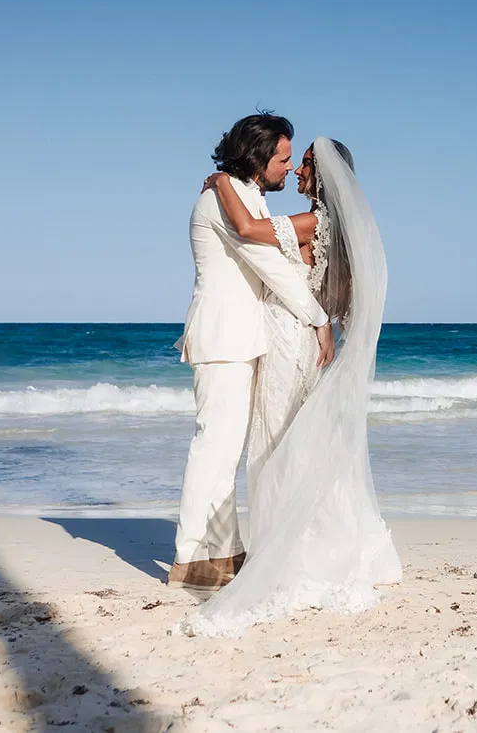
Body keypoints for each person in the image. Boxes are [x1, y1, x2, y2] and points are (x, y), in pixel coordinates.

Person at [184, 137, 401, 636]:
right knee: (290, 439)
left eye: (303, 164)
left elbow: (248, 229)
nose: (298, 171)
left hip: (286, 334)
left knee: (274, 440)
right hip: (299, 336)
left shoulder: (315, 223)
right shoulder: (334, 229)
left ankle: (282, 551)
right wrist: (323, 320)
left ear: (322, 178)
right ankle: (296, 541)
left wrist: (221, 181)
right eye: (294, 160)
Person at [170, 113, 335, 591]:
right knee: (215, 448)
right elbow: (270, 264)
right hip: (224, 339)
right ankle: (193, 561)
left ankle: (222, 556)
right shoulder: (222, 198)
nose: (288, 168)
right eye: (283, 159)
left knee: (225, 450)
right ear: (259, 157)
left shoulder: (243, 194)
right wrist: (320, 318)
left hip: (244, 338)